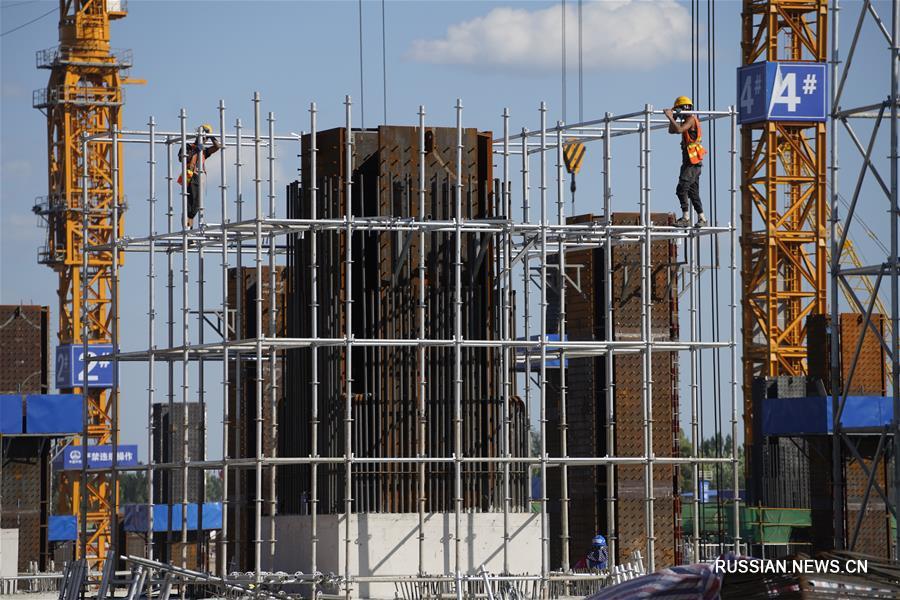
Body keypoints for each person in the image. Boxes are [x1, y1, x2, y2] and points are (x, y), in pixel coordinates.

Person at [663, 96, 707, 228]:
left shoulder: (691, 119)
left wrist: (670, 117)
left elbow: (679, 130)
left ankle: (686, 218)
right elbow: (672, 130)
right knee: (693, 192)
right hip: (690, 162)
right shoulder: (686, 119)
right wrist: (673, 118)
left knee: (681, 189)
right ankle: (702, 218)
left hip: (692, 163)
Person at [177, 124, 221, 228]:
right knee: (189, 205)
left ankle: (189, 228)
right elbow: (182, 158)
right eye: (202, 137)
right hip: (189, 177)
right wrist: (196, 149)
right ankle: (187, 229)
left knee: (196, 206)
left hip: (198, 179)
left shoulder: (204, 151)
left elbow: (217, 147)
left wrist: (211, 135)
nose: (203, 139)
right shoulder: (188, 146)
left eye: (205, 138)